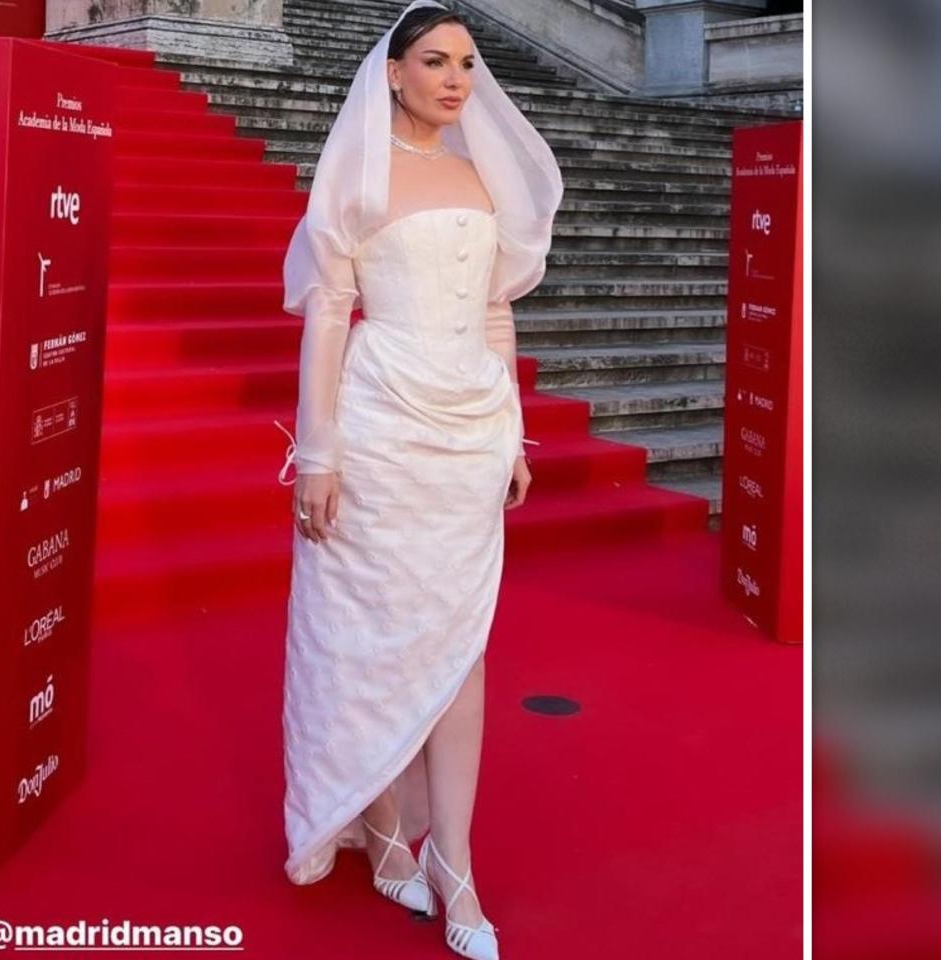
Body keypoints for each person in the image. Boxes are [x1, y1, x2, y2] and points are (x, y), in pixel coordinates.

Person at [272, 3, 562, 958]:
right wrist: (317, 454)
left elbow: (495, 321)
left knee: (460, 641)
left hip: (470, 434)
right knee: (370, 634)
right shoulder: (356, 175)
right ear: (392, 73)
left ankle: (458, 863)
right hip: (381, 424)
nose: (455, 79)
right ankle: (383, 826)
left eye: (468, 63)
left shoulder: (488, 180)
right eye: (434, 61)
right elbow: (326, 317)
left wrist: (513, 437)